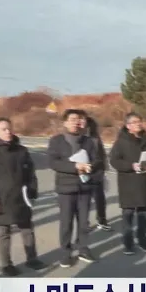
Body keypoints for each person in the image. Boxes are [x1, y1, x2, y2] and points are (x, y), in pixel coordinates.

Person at [0, 117, 46, 277]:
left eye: (9, 128)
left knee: (27, 229)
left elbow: (31, 173)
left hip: (22, 197)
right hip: (2, 199)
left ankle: (32, 259)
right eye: (3, 129)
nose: (8, 132)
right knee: (3, 233)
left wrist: (32, 191)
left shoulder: (21, 150)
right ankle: (6, 265)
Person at [48, 109, 104, 268]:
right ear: (65, 123)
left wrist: (90, 166)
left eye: (78, 120)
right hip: (66, 187)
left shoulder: (88, 141)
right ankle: (65, 253)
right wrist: (75, 166)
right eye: (72, 119)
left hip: (85, 186)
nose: (76, 122)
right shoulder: (57, 140)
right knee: (66, 223)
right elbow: (53, 162)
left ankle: (83, 249)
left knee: (84, 222)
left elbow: (97, 160)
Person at [109, 112, 146, 254]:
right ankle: (128, 244)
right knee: (128, 215)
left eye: (139, 121)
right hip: (128, 184)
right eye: (135, 122)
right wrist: (131, 165)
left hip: (144, 183)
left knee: (144, 216)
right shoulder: (121, 142)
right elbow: (114, 161)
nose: (138, 124)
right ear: (128, 125)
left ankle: (143, 241)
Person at [78, 111, 111, 231]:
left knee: (100, 199)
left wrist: (104, 168)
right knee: (84, 200)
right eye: (79, 120)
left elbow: (101, 154)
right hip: (81, 171)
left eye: (83, 120)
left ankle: (102, 220)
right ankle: (84, 222)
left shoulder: (95, 138)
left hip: (96, 172)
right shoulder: (77, 137)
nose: (81, 123)